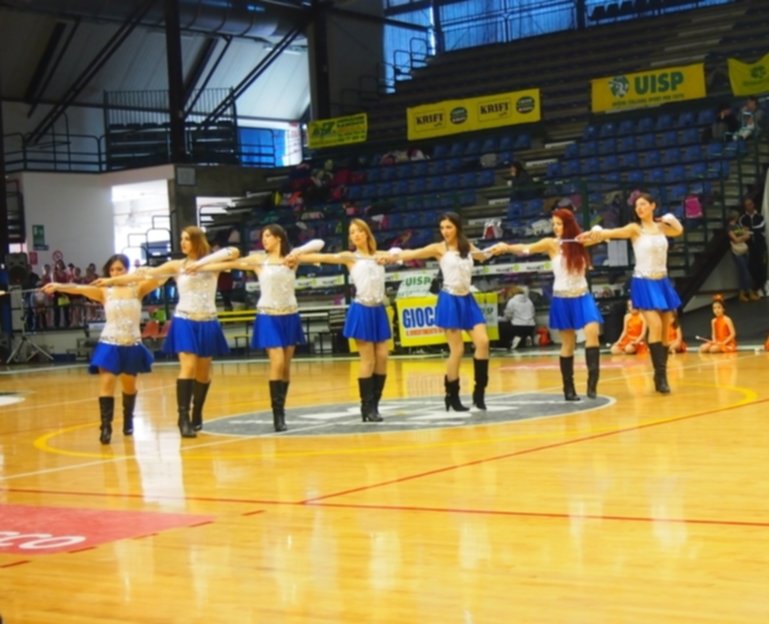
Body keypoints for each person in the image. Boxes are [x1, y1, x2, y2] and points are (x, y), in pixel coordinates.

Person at [96, 226, 239, 438]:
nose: (182, 243)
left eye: (187, 239)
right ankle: (183, 418)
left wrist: (200, 264)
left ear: (197, 241)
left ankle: (197, 412)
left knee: (203, 373)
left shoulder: (212, 264)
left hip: (208, 320)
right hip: (184, 320)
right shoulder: (176, 265)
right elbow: (147, 274)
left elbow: (233, 252)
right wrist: (111, 281)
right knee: (188, 367)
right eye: (181, 239)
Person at [191, 226, 323, 432]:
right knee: (277, 361)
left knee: (286, 367)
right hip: (268, 315)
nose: (264, 239)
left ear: (279, 238)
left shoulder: (292, 259)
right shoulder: (259, 260)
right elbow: (231, 259)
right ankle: (277, 416)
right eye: (263, 236)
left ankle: (281, 409)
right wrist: (200, 265)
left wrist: (297, 252)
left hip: (290, 315)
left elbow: (319, 243)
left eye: (268, 236)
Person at [43, 254, 162, 444]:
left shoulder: (138, 289)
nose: (115, 273)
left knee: (129, 387)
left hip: (131, 343)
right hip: (109, 343)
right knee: (106, 384)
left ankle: (128, 419)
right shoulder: (105, 292)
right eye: (112, 270)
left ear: (127, 270)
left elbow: (159, 278)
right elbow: (79, 288)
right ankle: (106, 427)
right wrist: (58, 286)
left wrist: (146, 271)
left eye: (119, 269)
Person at [578, 191, 684, 394]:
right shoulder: (635, 229)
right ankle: (661, 378)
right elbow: (613, 233)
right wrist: (597, 233)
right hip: (644, 282)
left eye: (643, 204)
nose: (639, 208)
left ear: (653, 206)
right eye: (637, 205)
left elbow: (678, 231)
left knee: (664, 330)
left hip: (662, 280)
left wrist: (671, 220)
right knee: (654, 325)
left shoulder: (662, 227)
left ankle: (660, 374)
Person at [491, 208, 603, 400]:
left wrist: (598, 230)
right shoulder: (551, 244)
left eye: (559, 224)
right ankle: (568, 388)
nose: (556, 227)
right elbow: (527, 248)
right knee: (568, 343)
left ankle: (592, 384)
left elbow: (601, 236)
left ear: (569, 224)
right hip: (562, 298)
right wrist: (507, 247)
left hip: (582, 295)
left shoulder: (580, 241)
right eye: (554, 224)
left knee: (592, 332)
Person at [291, 218, 391, 422]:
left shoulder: (379, 255)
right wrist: (298, 255)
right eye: (352, 232)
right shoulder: (350, 257)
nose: (356, 235)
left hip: (378, 309)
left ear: (367, 233)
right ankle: (367, 407)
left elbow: (399, 253)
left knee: (383, 357)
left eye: (359, 231)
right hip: (362, 309)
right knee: (368, 359)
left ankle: (375, 404)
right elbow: (325, 256)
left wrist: (391, 255)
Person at [391, 212, 490, 411]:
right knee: (457, 350)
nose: (445, 231)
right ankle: (452, 395)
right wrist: (392, 255)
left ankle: (479, 393)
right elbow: (413, 253)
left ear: (457, 228)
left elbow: (483, 255)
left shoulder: (467, 246)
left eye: (449, 227)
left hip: (467, 299)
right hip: (449, 299)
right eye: (442, 227)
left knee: (483, 342)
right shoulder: (439, 248)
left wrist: (499, 248)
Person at [738, 196, 766, 300]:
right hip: (749, 246)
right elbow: (741, 230)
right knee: (751, 267)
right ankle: (755, 288)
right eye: (746, 205)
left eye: (750, 204)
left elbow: (761, 227)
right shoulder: (742, 218)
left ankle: (762, 286)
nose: (749, 207)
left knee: (761, 265)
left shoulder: (760, 217)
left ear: (753, 204)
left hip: (759, 244)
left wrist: (749, 230)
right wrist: (751, 231)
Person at [726, 210, 753, 302]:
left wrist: (741, 237)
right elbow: (736, 240)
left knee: (743, 273)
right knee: (745, 272)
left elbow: (745, 236)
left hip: (744, 250)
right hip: (737, 252)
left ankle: (742, 294)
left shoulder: (738, 226)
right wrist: (743, 237)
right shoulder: (729, 228)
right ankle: (750, 292)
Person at [501, 286, 536, 350]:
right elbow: (533, 313)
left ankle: (515, 340)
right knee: (525, 331)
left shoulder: (512, 301)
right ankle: (527, 336)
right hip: (531, 326)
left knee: (504, 327)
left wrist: (504, 316)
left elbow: (508, 315)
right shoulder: (529, 301)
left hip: (518, 326)